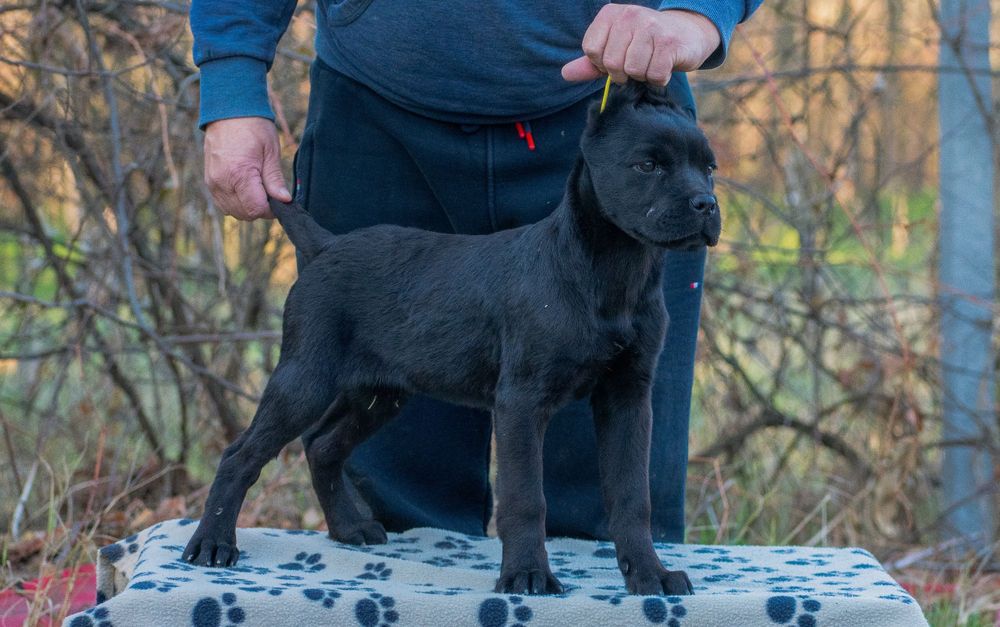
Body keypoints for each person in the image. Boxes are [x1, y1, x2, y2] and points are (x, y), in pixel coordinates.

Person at [190, 1, 761, 543]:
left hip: (623, 125)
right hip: (376, 120)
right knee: (401, 529)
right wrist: (232, 83)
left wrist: (696, 11)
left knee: (611, 538)